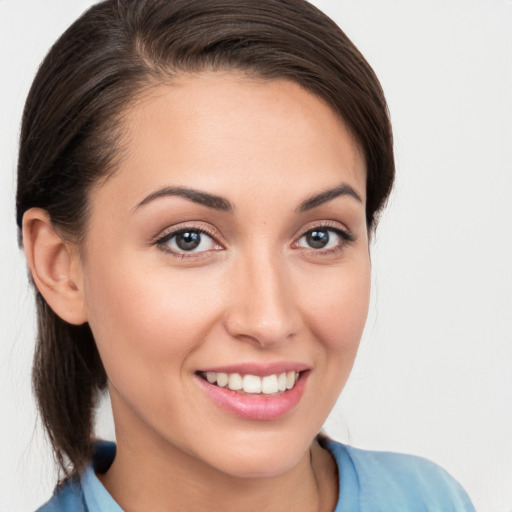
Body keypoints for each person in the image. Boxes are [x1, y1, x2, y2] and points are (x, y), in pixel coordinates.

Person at [16, 0, 476, 510]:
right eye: (188, 239)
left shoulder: (431, 500)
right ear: (60, 267)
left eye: (320, 236)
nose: (269, 319)